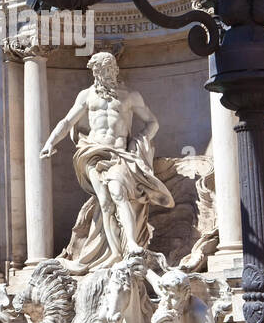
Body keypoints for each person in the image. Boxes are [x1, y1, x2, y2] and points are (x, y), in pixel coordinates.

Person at [40, 51, 174, 268]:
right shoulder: (86, 96)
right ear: (95, 72)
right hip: (92, 151)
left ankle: (131, 243)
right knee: (104, 202)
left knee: (118, 193)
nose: (105, 74)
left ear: (115, 69)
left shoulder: (130, 95)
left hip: (119, 153)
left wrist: (137, 142)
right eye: (100, 71)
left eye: (108, 69)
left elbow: (153, 123)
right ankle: (114, 252)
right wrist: (50, 143)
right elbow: (66, 121)